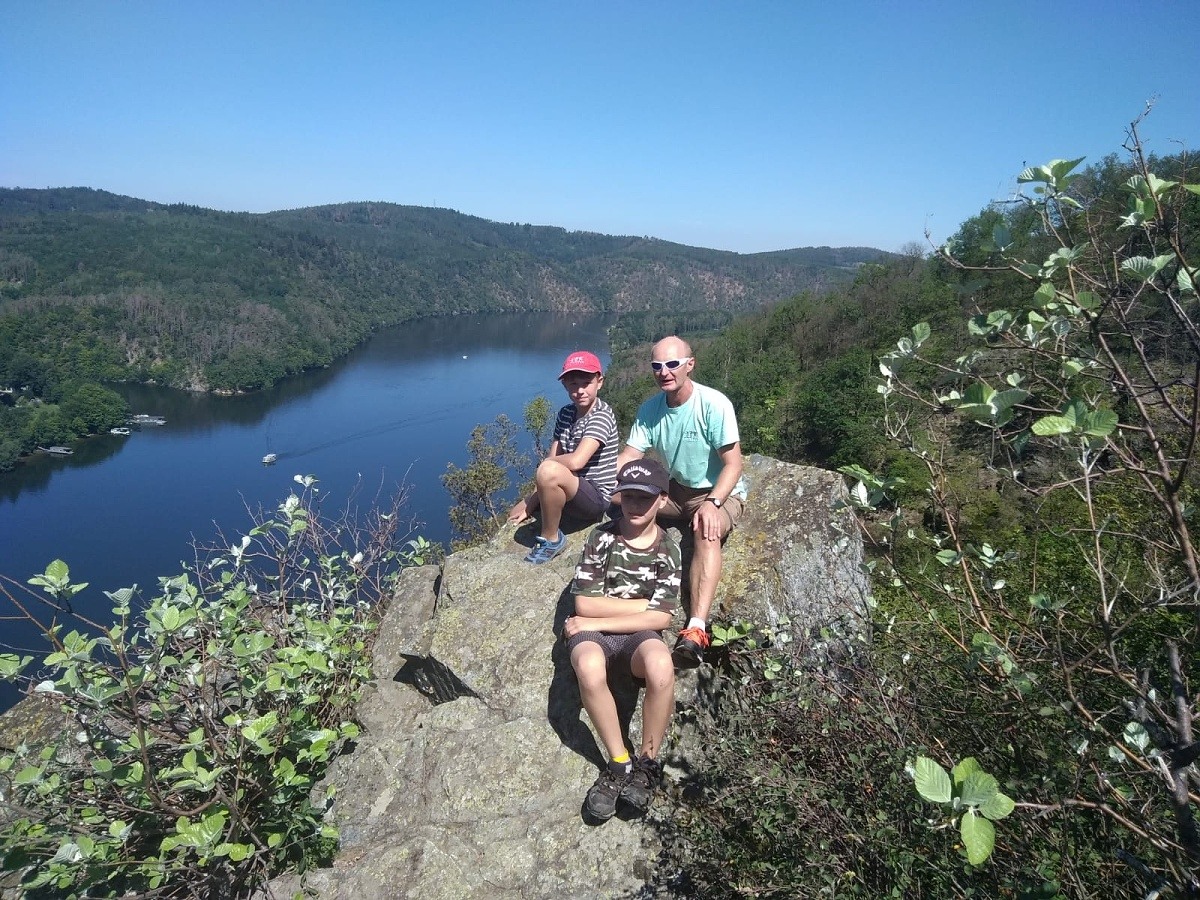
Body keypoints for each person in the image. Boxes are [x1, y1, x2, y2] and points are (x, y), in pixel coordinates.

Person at [616, 335, 747, 668]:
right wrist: (606, 484)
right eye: (657, 366)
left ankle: (696, 630)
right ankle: (625, 598)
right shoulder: (651, 409)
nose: (664, 372)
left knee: (706, 530)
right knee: (621, 505)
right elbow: (629, 455)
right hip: (675, 491)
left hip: (717, 491)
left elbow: (734, 464)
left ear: (690, 365)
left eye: (672, 364)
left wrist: (714, 503)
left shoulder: (713, 404)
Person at [563, 457, 682, 821]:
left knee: (661, 666)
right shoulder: (601, 538)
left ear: (662, 499)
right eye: (628, 496)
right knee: (588, 666)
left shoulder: (669, 549)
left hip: (634, 637)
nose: (635, 505)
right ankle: (619, 763)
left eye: (645, 497)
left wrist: (596, 618)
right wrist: (641, 606)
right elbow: (584, 602)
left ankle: (647, 763)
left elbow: (661, 618)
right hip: (597, 635)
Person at [507, 350, 619, 564]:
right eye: (573, 384)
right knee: (515, 514)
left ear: (599, 382)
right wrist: (532, 501)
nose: (580, 390)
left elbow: (576, 461)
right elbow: (554, 457)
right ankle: (549, 516)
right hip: (570, 488)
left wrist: (546, 467)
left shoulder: (602, 415)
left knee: (548, 470)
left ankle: (552, 539)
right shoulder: (566, 414)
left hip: (595, 497)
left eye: (586, 383)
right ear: (565, 385)